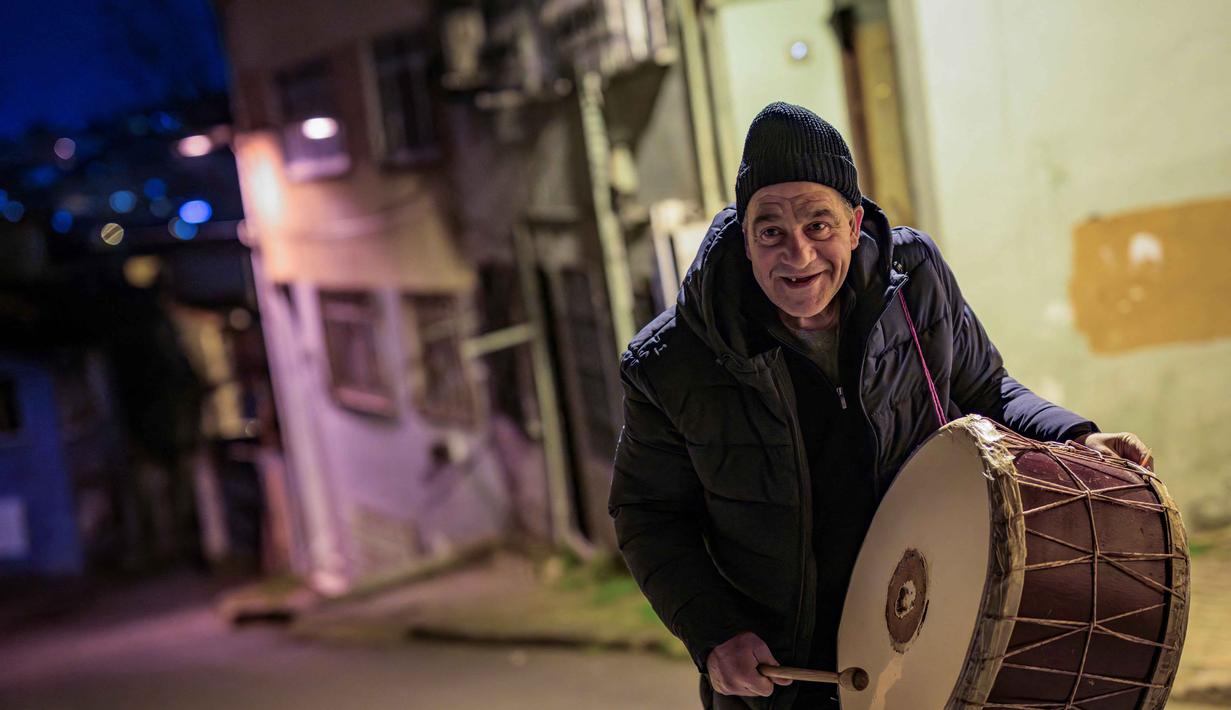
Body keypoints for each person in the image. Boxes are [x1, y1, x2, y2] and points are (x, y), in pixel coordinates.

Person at [608, 102, 1151, 710]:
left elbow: (987, 390)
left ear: (854, 222)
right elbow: (647, 512)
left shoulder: (915, 280)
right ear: (745, 236)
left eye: (819, 226)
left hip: (932, 636)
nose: (799, 256)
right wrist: (713, 634)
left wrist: (1076, 439)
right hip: (789, 675)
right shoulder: (671, 360)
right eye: (771, 233)